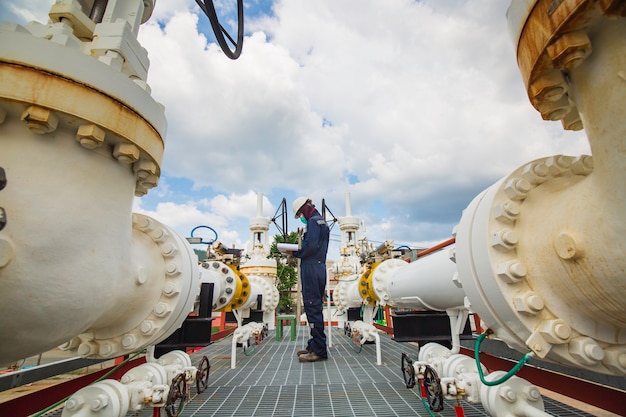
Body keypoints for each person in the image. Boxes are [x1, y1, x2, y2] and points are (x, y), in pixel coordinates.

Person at [287, 196, 330, 362]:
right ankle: (314, 344)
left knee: (312, 307)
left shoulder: (312, 222)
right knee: (315, 307)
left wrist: (294, 252)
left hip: (311, 268)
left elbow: (310, 247)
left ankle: (319, 350)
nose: (301, 218)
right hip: (319, 267)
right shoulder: (322, 222)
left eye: (300, 214)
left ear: (304, 208)